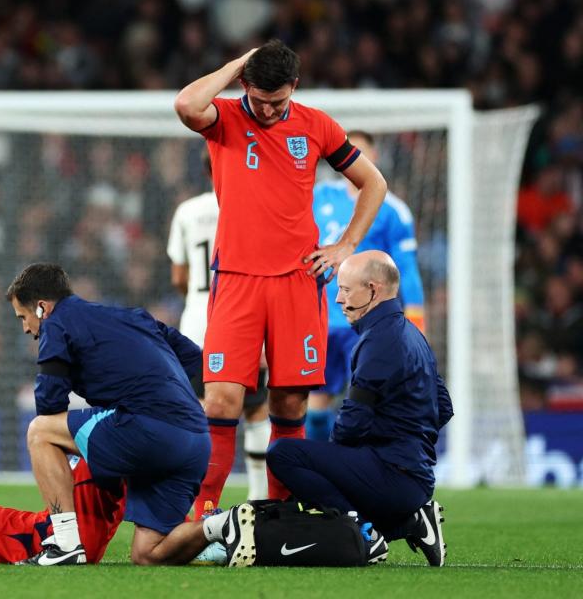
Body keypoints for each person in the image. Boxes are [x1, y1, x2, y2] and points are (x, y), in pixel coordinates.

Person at [173, 39, 387, 509]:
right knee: (221, 402)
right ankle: (200, 516)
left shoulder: (316, 125)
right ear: (245, 85)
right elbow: (187, 103)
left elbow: (374, 182)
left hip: (296, 281)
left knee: (289, 407)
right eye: (261, 100)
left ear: (295, 85)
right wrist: (236, 65)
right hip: (236, 279)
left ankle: (278, 515)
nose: (269, 112)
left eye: (279, 101)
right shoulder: (225, 118)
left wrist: (346, 246)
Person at [6, 263, 256, 567]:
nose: (26, 328)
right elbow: (196, 359)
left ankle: (65, 545)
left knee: (39, 431)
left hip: (149, 430)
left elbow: (48, 402)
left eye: (24, 317)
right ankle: (220, 526)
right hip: (195, 440)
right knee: (148, 553)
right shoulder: (132, 316)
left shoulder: (57, 323)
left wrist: (79, 453)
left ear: (43, 308)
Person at [267, 251, 453, 567]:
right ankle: (407, 524)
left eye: (346, 290)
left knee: (283, 454)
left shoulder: (380, 340)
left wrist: (330, 472)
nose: (339, 300)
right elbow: (444, 407)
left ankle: (365, 533)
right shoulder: (411, 334)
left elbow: (353, 422)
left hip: (394, 475)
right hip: (412, 473)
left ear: (373, 289)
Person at [308, 130, 426, 441]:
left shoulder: (392, 210)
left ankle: (366, 477)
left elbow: (408, 270)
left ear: (373, 158)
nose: (354, 159)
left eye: (361, 152)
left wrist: (415, 321)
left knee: (363, 403)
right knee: (312, 404)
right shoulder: (319, 197)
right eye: (349, 152)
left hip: (366, 324)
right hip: (318, 318)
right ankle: (319, 475)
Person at [166, 152, 270, 502]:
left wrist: (200, 299)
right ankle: (260, 501)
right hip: (244, 324)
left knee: (200, 413)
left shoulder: (187, 211)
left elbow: (179, 276)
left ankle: (196, 507)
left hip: (197, 325)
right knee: (256, 409)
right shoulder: (255, 207)